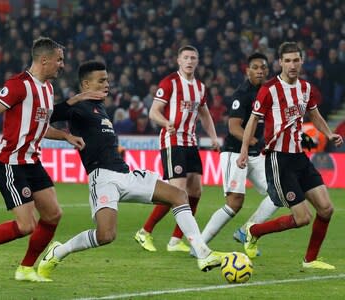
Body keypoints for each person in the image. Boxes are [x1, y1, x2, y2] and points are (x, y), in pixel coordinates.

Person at [36, 61, 224, 281]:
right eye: (101, 80)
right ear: (86, 84)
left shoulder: (100, 107)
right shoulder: (78, 107)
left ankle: (203, 253)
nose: (107, 84)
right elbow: (42, 118)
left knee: (178, 194)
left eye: (107, 79)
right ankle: (58, 251)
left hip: (125, 174)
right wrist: (74, 102)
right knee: (106, 235)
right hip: (102, 178)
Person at [0, 37, 103, 282]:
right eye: (59, 60)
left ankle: (25, 269)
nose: (62, 65)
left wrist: (67, 136)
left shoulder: (47, 88)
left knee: (53, 215)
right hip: (9, 164)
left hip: (32, 162)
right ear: (44, 60)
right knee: (27, 225)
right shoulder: (18, 85)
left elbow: (40, 127)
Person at [236, 42, 344, 270]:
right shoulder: (269, 89)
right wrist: (244, 150)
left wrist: (329, 133)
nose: (292, 65)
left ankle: (310, 260)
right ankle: (253, 231)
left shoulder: (306, 88)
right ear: (280, 63)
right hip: (279, 159)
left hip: (299, 157)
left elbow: (314, 115)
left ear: (302, 61)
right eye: (287, 61)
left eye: (296, 60)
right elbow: (253, 120)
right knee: (303, 217)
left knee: (326, 209)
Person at [134, 45, 220, 253]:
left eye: (193, 58)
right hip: (172, 142)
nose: (190, 61)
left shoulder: (200, 87)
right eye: (186, 58)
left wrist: (214, 137)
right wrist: (165, 123)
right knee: (177, 192)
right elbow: (154, 111)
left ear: (197, 61)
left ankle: (175, 240)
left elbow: (205, 114)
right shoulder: (170, 82)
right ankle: (144, 232)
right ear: (179, 61)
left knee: (196, 190)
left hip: (190, 143)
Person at [200, 53, 279, 249]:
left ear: (268, 70)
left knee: (278, 192)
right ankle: (199, 245)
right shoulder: (242, 94)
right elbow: (234, 128)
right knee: (235, 203)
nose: (260, 70)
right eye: (255, 67)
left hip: (255, 154)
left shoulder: (270, 92)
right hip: (235, 153)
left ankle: (246, 231)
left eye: (263, 67)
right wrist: (255, 142)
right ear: (248, 71)